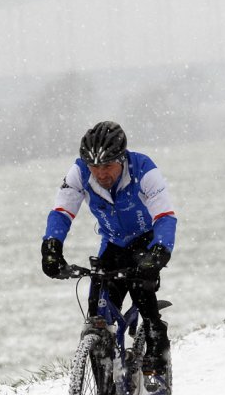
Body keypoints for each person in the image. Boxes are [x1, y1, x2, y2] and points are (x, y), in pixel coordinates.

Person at [41, 121, 177, 372]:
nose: (101, 174)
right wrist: (51, 247)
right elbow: (61, 211)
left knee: (141, 287)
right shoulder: (80, 172)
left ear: (122, 159)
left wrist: (160, 251)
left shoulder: (144, 169)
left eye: (107, 166)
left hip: (145, 240)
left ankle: (156, 335)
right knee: (97, 317)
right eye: (94, 166)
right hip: (113, 243)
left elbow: (165, 217)